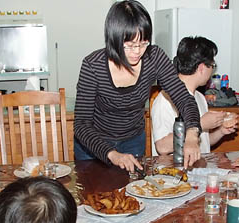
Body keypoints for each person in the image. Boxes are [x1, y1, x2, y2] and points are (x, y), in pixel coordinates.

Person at [73, 0, 202, 172]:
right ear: (114, 40)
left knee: (133, 194)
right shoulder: (93, 66)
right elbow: (82, 124)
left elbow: (184, 98)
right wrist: (112, 153)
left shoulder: (154, 58)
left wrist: (192, 134)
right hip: (94, 146)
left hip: (133, 141)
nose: (137, 52)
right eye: (129, 45)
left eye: (142, 43)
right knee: (94, 195)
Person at [150, 36, 237, 156]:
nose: (212, 70)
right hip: (174, 171)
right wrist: (200, 124)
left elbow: (203, 143)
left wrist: (221, 131)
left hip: (199, 169)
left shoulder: (200, 97)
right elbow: (162, 147)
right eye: (212, 65)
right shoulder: (164, 100)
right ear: (202, 67)